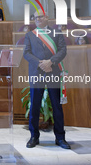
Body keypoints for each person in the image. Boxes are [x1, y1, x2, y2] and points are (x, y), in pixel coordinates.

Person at [23, 11, 70, 149]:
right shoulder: (30, 35)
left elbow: (63, 50)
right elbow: (26, 53)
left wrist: (50, 62)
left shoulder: (57, 33)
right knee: (35, 106)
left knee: (56, 106)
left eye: (40, 17)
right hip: (36, 72)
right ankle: (34, 137)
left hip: (53, 71)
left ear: (47, 17)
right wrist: (41, 63)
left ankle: (60, 138)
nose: (38, 19)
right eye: (35, 17)